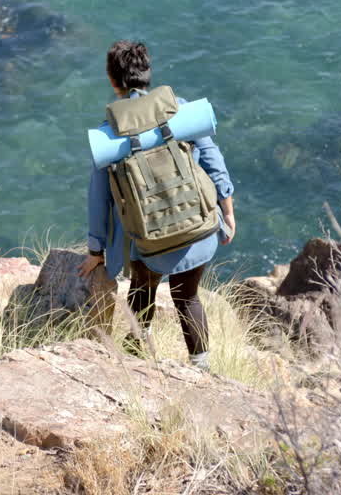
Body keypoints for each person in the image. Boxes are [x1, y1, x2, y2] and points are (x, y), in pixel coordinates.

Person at [79, 40, 236, 370]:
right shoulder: (180, 109)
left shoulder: (109, 134)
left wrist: (96, 250)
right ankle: (201, 369)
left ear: (112, 80)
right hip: (199, 230)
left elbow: (99, 198)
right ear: (147, 73)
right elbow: (213, 160)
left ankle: (137, 355)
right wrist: (227, 210)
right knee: (187, 297)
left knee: (142, 287)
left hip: (149, 244)